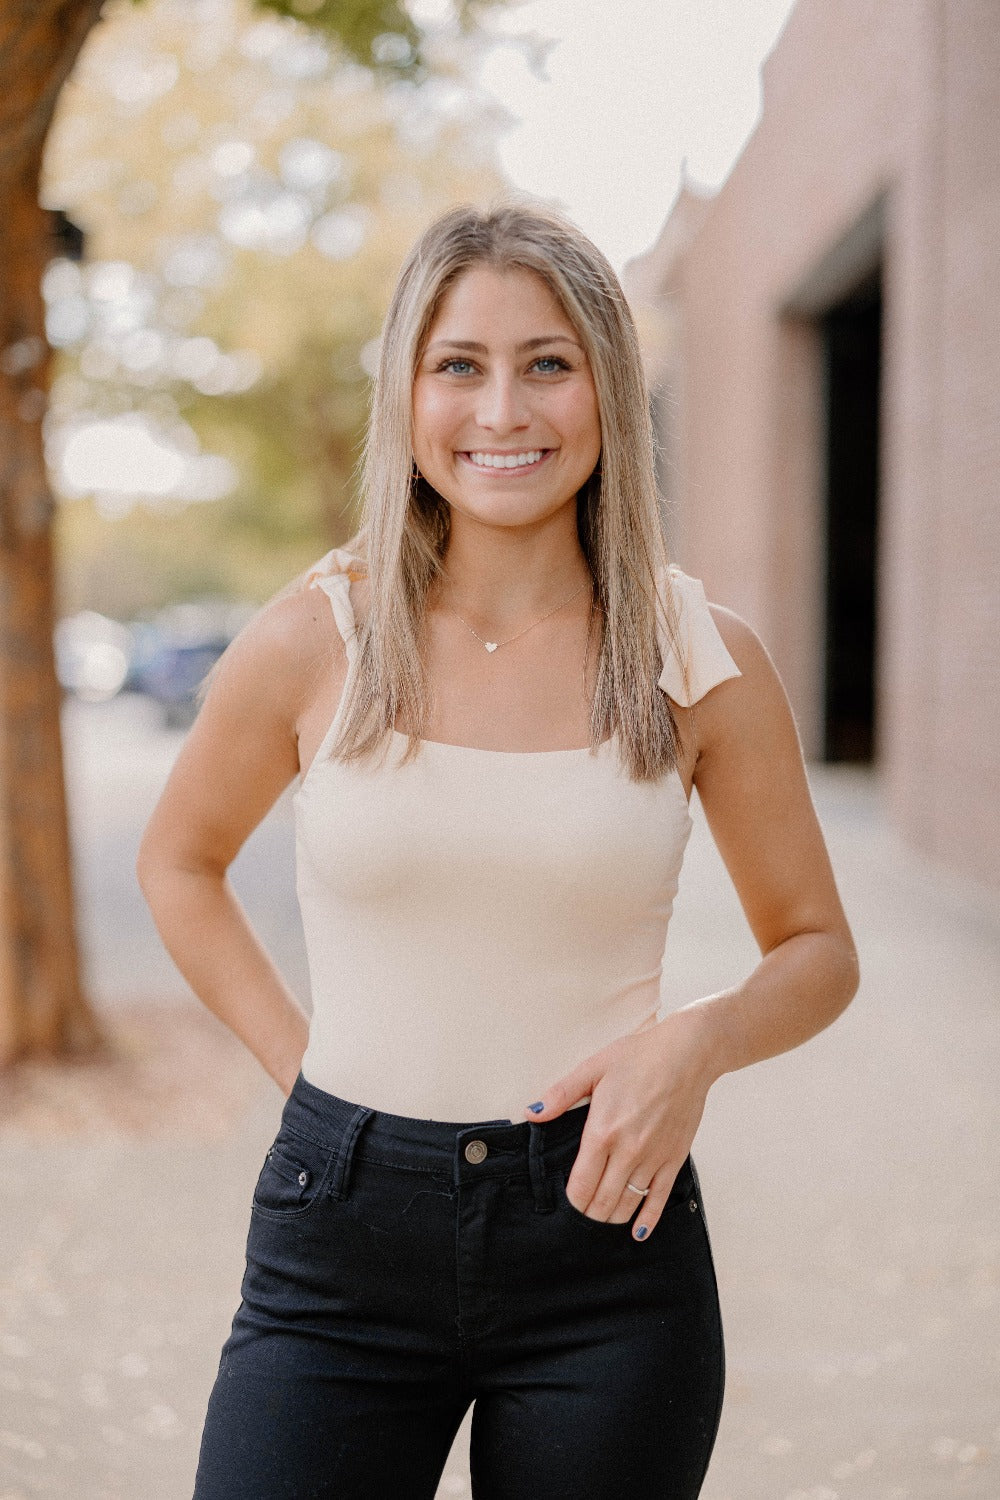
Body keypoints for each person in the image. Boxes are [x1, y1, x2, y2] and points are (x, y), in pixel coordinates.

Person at [136, 200, 859, 1500]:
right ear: (409, 391)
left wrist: (696, 1041)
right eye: (459, 364)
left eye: (549, 363)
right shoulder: (320, 635)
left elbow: (817, 951)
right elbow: (177, 863)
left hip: (603, 1241)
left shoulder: (701, 660)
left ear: (606, 387)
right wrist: (306, 1071)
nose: (502, 410)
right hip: (340, 1244)